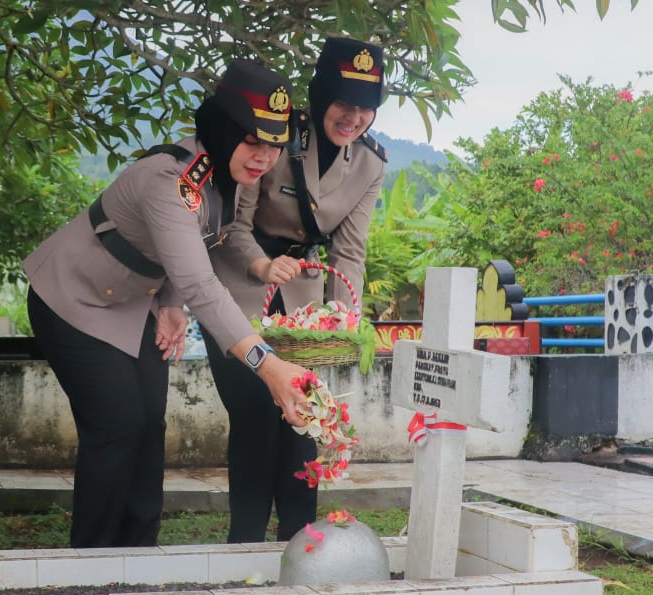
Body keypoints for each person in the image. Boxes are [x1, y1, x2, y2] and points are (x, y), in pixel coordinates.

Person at [22, 60, 310, 549]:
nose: (264, 157)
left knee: (149, 424)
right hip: (71, 297)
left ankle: (137, 555)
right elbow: (200, 280)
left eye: (274, 144)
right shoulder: (170, 180)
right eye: (253, 141)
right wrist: (268, 364)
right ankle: (89, 563)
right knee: (117, 423)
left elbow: (196, 247)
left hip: (138, 302)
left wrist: (170, 303)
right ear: (222, 129)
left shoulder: (225, 175)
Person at [206, 37, 388, 543]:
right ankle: (243, 542)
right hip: (240, 285)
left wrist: (344, 323)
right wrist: (263, 266)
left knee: (302, 422)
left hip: (302, 303)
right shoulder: (277, 135)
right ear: (321, 95)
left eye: (366, 108)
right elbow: (233, 224)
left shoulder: (370, 164)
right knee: (253, 416)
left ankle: (298, 544)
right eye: (344, 103)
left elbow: (348, 254)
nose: (353, 118)